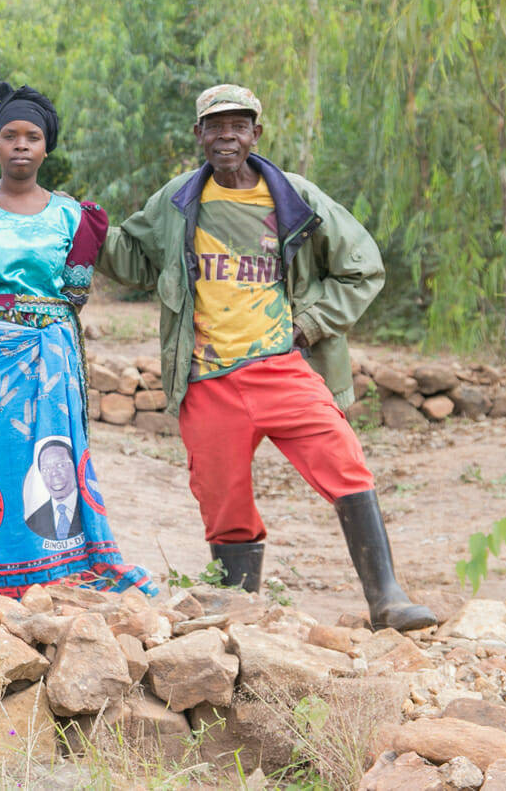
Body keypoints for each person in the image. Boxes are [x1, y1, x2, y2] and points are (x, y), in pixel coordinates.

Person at [98, 83, 435, 630]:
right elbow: (135, 258)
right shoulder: (178, 200)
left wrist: (308, 325)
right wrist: (79, 227)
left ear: (256, 134)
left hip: (282, 366)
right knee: (222, 500)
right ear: (199, 135)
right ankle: (240, 616)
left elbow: (362, 265)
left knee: (344, 463)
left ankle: (388, 598)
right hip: (207, 377)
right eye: (214, 125)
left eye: (238, 125)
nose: (226, 135)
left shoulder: (294, 197)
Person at [0, 82, 155, 597]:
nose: (21, 145)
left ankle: (54, 576)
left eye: (32, 136)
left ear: (47, 147)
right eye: (10, 135)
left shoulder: (74, 216)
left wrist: (31, 326)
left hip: (48, 360)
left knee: (47, 462)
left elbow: (75, 296)